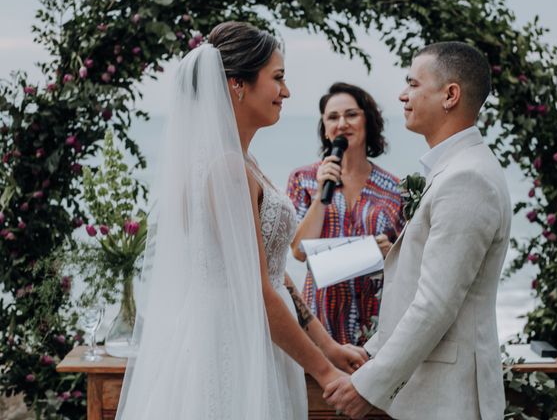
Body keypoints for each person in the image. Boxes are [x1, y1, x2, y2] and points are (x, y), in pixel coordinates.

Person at [115, 22, 366, 420]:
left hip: (256, 339)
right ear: (237, 85)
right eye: (278, 78)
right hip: (232, 346)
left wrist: (328, 345)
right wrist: (325, 372)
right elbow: (257, 290)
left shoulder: (240, 161)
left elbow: (274, 270)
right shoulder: (226, 169)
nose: (286, 92)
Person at [325, 42, 512, 419]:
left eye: (412, 83)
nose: (402, 94)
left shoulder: (467, 178)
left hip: (449, 400)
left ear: (450, 95)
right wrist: (373, 351)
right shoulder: (456, 169)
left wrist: (370, 385)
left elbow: (435, 303)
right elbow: (413, 289)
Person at [287, 82, 404, 346]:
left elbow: (409, 259)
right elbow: (298, 251)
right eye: (333, 117)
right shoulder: (303, 179)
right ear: (326, 129)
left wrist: (391, 252)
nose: (342, 123)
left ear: (367, 121)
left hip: (376, 325)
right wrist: (320, 195)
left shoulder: (396, 190)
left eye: (351, 115)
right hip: (320, 324)